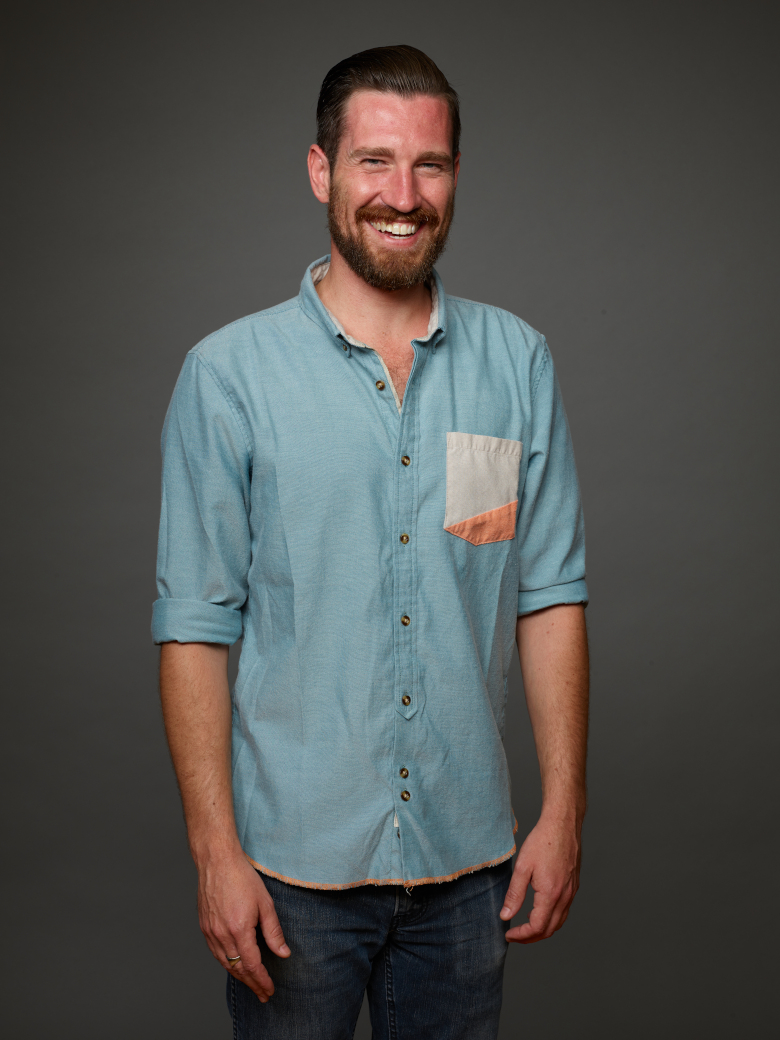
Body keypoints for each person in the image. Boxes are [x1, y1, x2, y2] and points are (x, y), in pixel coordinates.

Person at [153, 44, 589, 1040]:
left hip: (469, 871)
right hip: (290, 878)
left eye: (428, 165)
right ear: (322, 172)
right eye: (374, 161)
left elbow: (551, 596)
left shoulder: (518, 362)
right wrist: (215, 854)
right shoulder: (228, 376)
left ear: (456, 175)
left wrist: (564, 812)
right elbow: (193, 626)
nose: (403, 195)